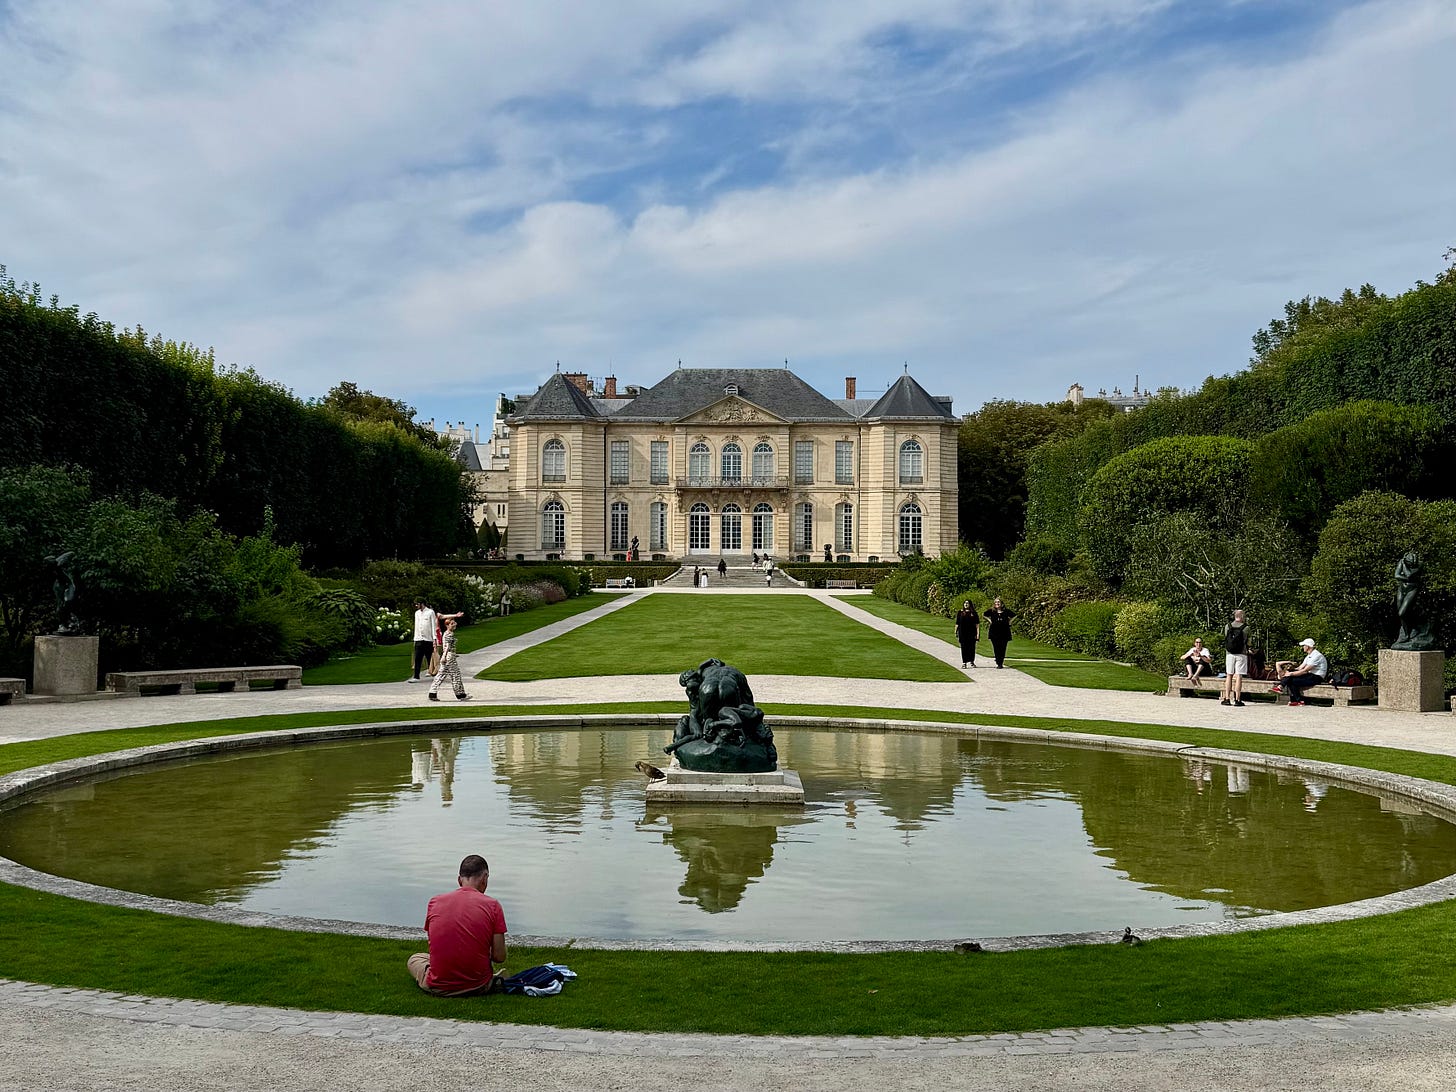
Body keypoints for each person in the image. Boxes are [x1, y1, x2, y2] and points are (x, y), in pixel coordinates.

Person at [407, 854, 508, 996]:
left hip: (439, 985)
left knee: (415, 959)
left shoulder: (435, 902)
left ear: (459, 880)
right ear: (485, 878)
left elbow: (436, 942)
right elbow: (499, 956)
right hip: (478, 986)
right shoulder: (493, 905)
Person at [428, 614, 470, 702]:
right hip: (449, 658)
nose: (454, 624)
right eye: (452, 623)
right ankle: (460, 694)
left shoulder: (447, 633)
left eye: (454, 623)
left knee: (440, 675)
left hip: (448, 656)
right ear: (447, 625)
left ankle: (432, 693)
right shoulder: (449, 634)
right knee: (456, 675)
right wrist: (444, 657)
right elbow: (446, 647)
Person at [1276, 638, 1328, 707]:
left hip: (1317, 677)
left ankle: (1282, 687)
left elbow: (1305, 670)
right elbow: (1300, 668)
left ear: (1308, 646)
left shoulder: (1317, 656)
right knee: (1291, 679)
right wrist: (1291, 670)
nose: (1303, 647)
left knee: (1292, 679)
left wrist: (1291, 674)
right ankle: (1296, 700)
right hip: (1310, 675)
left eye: (1304, 645)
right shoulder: (1309, 656)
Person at [1220, 608, 1250, 706]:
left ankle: (1227, 698)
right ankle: (1237, 699)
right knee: (1239, 676)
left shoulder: (1227, 626)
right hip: (1241, 654)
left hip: (1229, 654)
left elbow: (1225, 638)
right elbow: (1248, 641)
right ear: (1242, 617)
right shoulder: (1246, 628)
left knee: (1229, 675)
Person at [408, 600, 439, 683]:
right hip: (418, 638)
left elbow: (433, 626)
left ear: (422, 604)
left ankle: (435, 673)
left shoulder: (430, 612)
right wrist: (415, 638)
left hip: (428, 639)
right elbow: (416, 626)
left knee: (430, 658)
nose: (416, 606)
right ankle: (416, 676)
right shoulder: (417, 613)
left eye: (418, 604)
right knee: (417, 658)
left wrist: (434, 639)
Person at [984, 597, 1014, 668]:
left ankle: (1001, 662)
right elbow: (984, 615)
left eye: (998, 602)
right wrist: (989, 620)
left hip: (1004, 632)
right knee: (996, 647)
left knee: (1003, 648)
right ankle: (998, 662)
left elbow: (1014, 616)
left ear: (1002, 603)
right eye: (996, 602)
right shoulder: (992, 611)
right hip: (994, 632)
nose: (997, 604)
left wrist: (1010, 621)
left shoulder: (1006, 611)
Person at [953, 600, 980, 669]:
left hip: (971, 633)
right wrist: (955, 631)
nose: (966, 604)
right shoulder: (960, 612)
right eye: (965, 603)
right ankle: (964, 662)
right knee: (964, 647)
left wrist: (978, 634)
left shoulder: (974, 613)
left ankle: (971, 661)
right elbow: (957, 623)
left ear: (970, 605)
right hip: (962, 633)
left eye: (967, 603)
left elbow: (977, 624)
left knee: (971, 647)